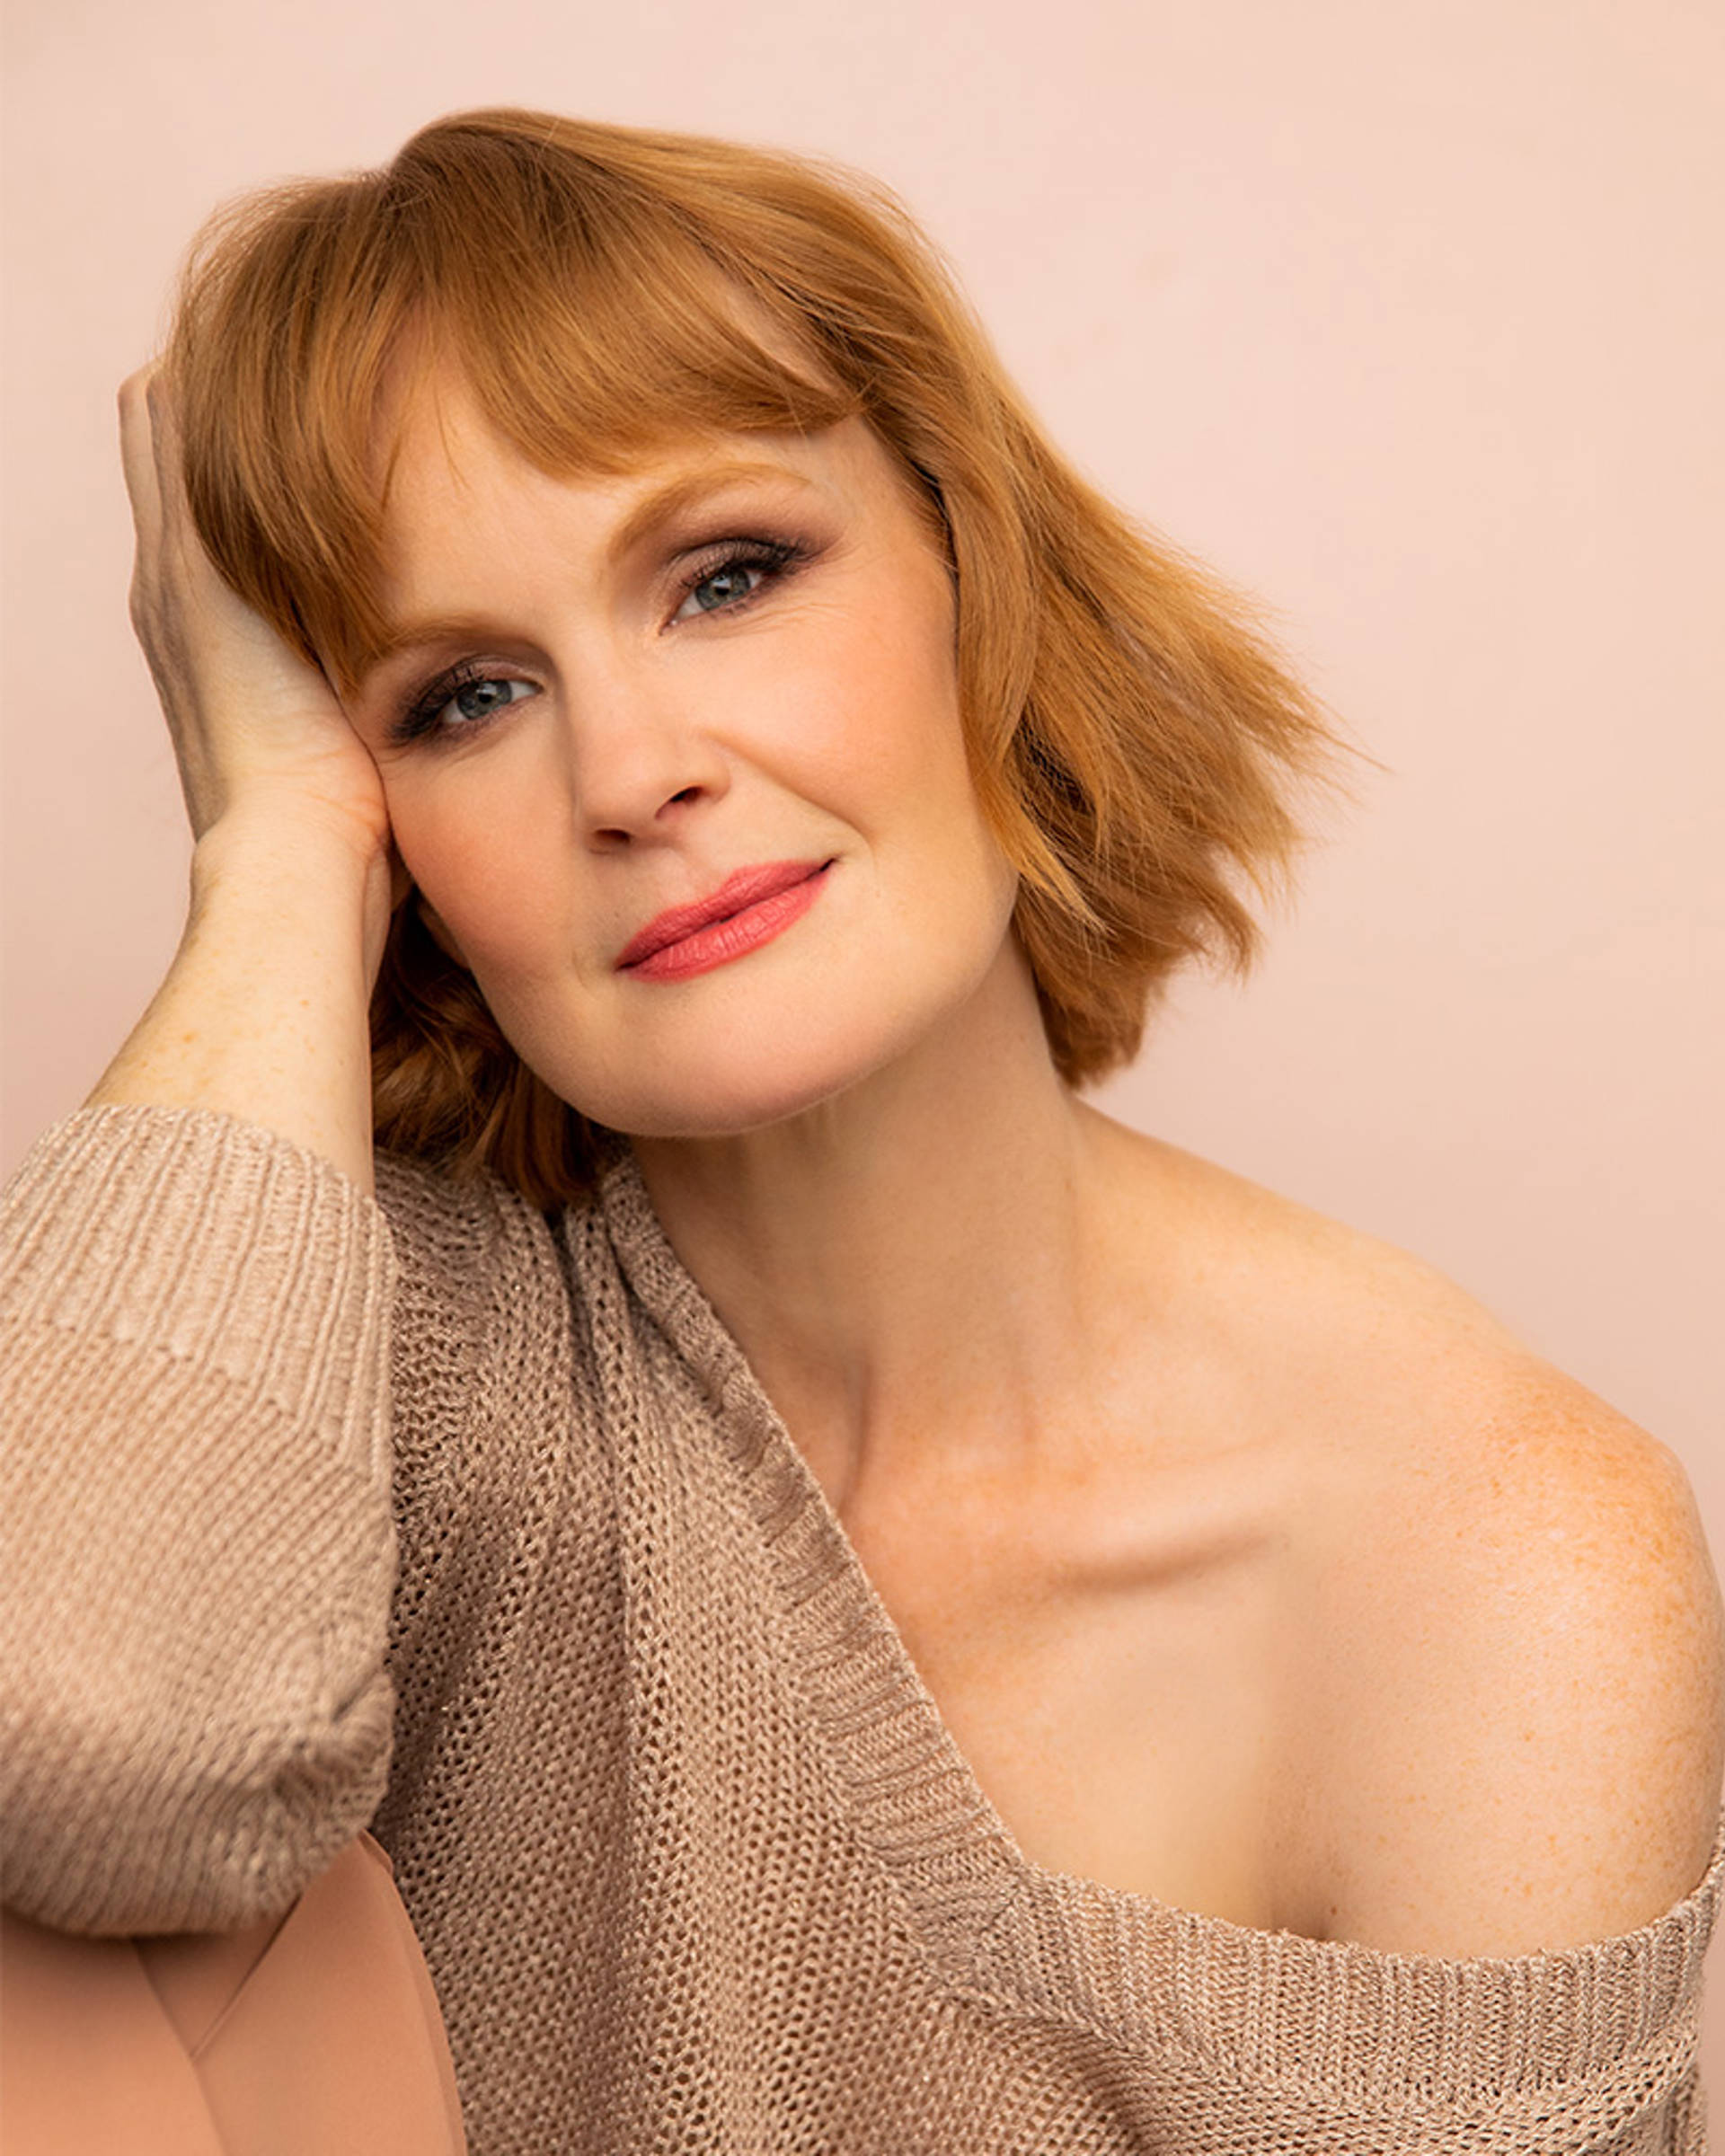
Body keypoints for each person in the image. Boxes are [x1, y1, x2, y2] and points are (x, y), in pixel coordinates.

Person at [3, 106, 1721, 2154]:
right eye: (462, 696)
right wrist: (272, 850)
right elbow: (72, 1752)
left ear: (975, 567)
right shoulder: (392, 1372)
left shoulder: (1495, 1559)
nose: (634, 772)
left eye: (728, 576)